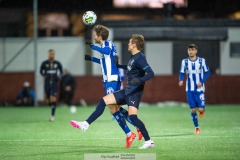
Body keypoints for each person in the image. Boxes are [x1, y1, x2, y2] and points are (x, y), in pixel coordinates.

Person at [70, 34, 155, 149]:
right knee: (103, 101)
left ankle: (149, 141)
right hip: (127, 90)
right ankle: (85, 124)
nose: (128, 44)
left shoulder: (140, 57)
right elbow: (130, 68)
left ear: (134, 45)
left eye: (130, 42)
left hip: (134, 92)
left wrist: (140, 79)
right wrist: (118, 65)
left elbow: (150, 73)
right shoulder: (133, 57)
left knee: (133, 117)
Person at [83, 25, 142, 148]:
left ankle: (132, 130)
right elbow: (104, 61)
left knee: (112, 108)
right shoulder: (105, 46)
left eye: (95, 34)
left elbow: (106, 52)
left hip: (111, 79)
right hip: (108, 80)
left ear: (99, 36)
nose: (93, 36)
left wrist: (92, 47)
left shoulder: (107, 44)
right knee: (114, 109)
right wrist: (91, 58)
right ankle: (133, 130)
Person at [178, 44, 210, 134]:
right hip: (189, 89)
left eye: (192, 50)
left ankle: (202, 110)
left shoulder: (202, 61)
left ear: (196, 51)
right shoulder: (184, 62)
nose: (190, 51)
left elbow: (208, 73)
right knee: (192, 109)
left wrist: (202, 81)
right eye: (189, 50)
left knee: (200, 109)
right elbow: (181, 73)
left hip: (199, 89)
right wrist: (180, 80)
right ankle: (197, 127)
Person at [40, 49, 63, 122]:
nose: (51, 55)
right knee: (48, 100)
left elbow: (61, 72)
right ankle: (51, 105)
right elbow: (41, 71)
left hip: (54, 83)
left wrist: (59, 77)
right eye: (50, 54)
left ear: (54, 55)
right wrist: (45, 75)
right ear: (48, 55)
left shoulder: (58, 63)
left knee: (53, 98)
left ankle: (52, 116)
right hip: (47, 84)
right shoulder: (44, 63)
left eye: (52, 54)